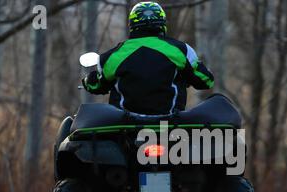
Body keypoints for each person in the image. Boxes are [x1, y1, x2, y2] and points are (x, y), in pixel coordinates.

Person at [82, 1, 214, 115]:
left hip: (124, 127)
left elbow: (96, 85)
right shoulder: (181, 50)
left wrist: (88, 81)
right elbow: (206, 81)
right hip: (170, 123)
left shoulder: (115, 55)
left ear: (132, 25)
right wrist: (188, 78)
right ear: (162, 24)